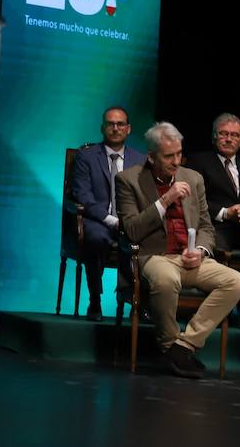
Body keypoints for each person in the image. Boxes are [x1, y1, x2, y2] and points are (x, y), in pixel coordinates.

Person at [115, 121, 240, 378]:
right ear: (151, 157)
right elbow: (131, 229)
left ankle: (183, 346)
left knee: (236, 282)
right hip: (155, 256)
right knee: (166, 278)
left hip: (191, 258)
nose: (176, 161)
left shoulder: (193, 178)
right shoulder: (128, 180)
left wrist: (201, 250)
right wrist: (165, 199)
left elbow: (207, 227)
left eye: (178, 154)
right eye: (168, 156)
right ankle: (168, 345)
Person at [70, 106, 145, 319]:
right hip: (99, 219)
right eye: (110, 124)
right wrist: (111, 220)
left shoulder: (140, 160)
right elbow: (83, 195)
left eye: (120, 124)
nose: (115, 128)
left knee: (150, 240)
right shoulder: (86, 156)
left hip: (130, 222)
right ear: (102, 127)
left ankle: (137, 303)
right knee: (95, 238)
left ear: (128, 129)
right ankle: (95, 300)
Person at [188, 112, 240, 252]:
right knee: (217, 246)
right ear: (214, 137)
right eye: (223, 133)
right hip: (216, 227)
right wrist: (225, 213)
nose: (229, 139)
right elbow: (192, 200)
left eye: (235, 135)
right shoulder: (197, 162)